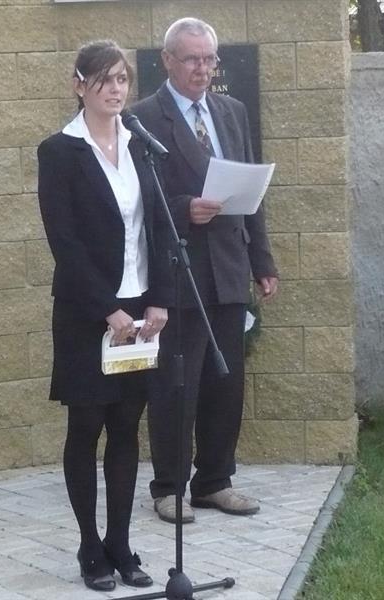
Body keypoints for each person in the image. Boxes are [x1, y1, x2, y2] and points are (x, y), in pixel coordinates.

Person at [37, 40, 173, 591]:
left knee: (126, 425)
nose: (116, 89)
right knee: (87, 425)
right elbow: (64, 242)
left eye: (121, 79)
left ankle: (120, 542)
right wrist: (108, 309)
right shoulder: (59, 151)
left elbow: (159, 228)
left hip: (140, 308)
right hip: (87, 311)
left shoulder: (141, 144)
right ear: (79, 85)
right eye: (103, 79)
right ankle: (90, 547)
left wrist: (159, 299)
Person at [131, 18, 279, 524]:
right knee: (177, 384)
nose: (202, 68)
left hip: (229, 268)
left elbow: (251, 191)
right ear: (167, 60)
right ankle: (169, 487)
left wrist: (262, 261)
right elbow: (136, 200)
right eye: (191, 58)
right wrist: (183, 208)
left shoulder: (231, 111)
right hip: (178, 273)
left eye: (209, 58)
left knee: (225, 383)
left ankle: (215, 481)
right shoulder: (142, 118)